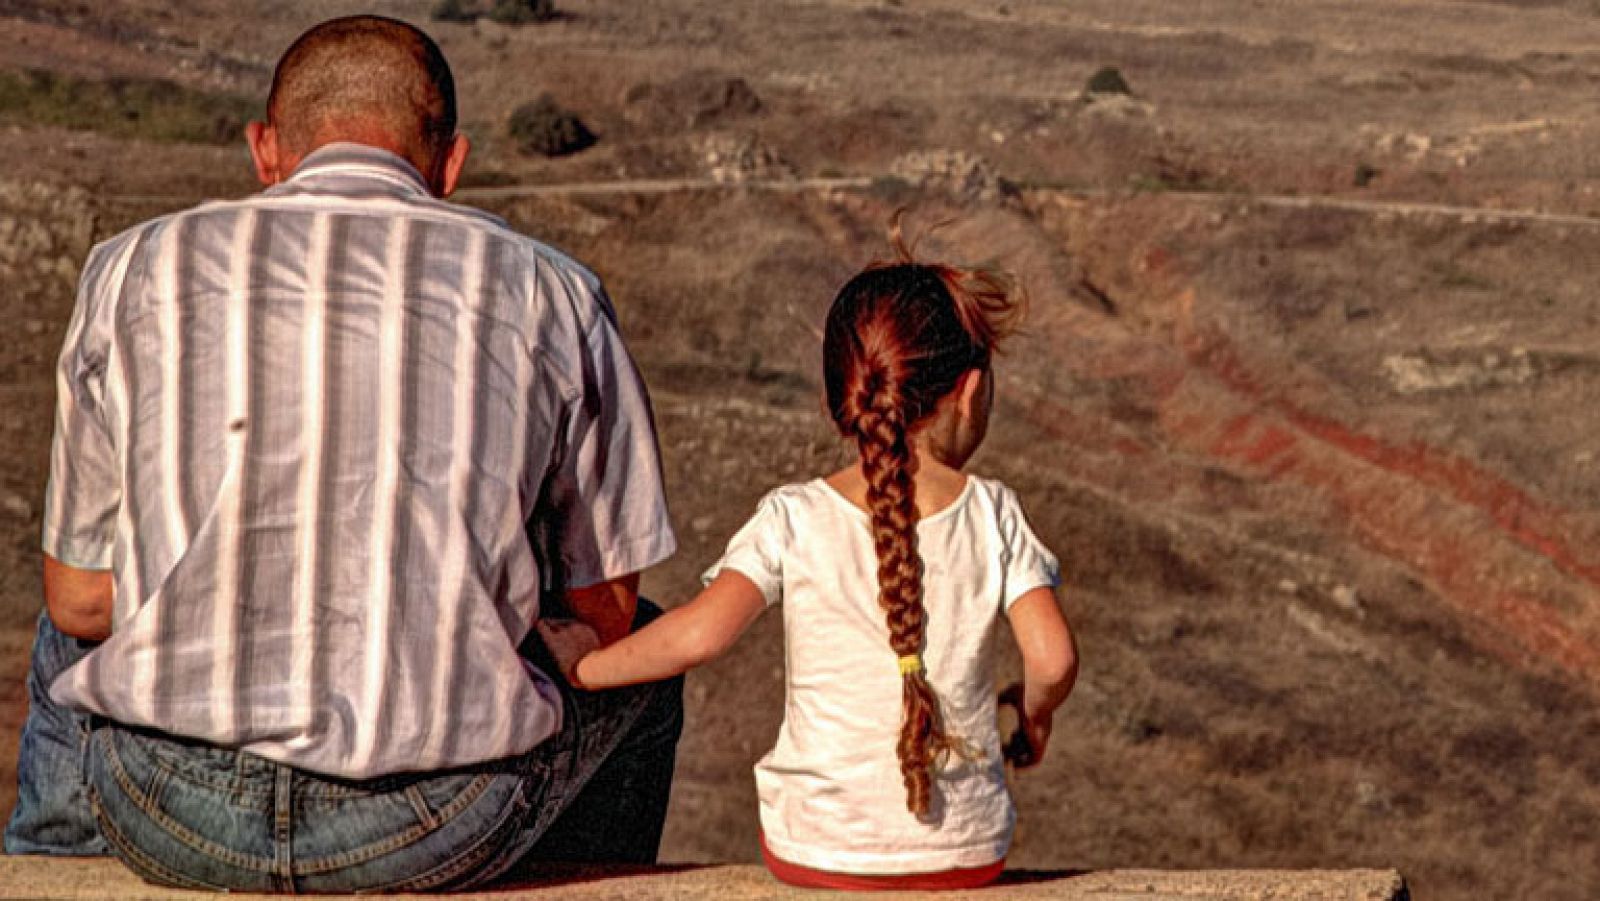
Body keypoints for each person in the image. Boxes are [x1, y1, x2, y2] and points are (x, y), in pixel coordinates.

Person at [5, 15, 683, 891]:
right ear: (449, 165)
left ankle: (52, 867)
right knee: (650, 657)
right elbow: (609, 615)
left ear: (265, 150)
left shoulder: (130, 268)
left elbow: (79, 600)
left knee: (79, 612)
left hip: (167, 808)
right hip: (435, 824)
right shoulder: (554, 291)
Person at [539, 233, 1080, 890]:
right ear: (968, 392)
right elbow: (1052, 659)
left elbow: (700, 632)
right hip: (968, 856)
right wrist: (1034, 711)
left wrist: (588, 665)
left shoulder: (793, 515)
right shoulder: (993, 511)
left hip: (817, 850)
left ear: (842, 402)